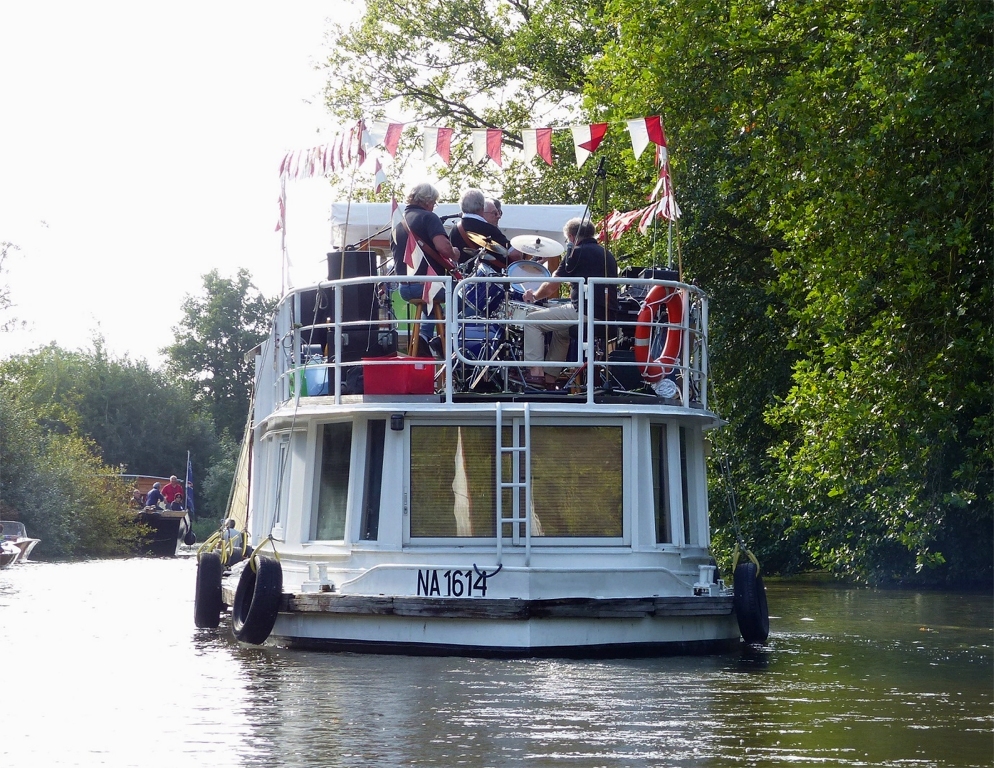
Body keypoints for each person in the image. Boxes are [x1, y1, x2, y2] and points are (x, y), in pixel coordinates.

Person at [520, 217, 619, 387]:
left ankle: (535, 375)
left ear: (572, 237)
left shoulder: (576, 253)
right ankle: (550, 379)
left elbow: (552, 286)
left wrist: (534, 296)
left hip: (585, 311)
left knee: (531, 321)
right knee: (562, 331)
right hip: (605, 314)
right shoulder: (606, 254)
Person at [391, 182, 460, 356]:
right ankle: (448, 339)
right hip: (426, 285)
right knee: (463, 298)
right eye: (434, 202)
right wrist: (455, 252)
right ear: (428, 201)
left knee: (431, 300)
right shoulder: (429, 218)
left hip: (404, 287)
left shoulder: (399, 223)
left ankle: (423, 338)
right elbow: (444, 249)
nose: (433, 207)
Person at [449, 188, 514, 268]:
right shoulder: (488, 229)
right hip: (489, 279)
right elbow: (514, 254)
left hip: (463, 279)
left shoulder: (454, 230)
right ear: (482, 207)